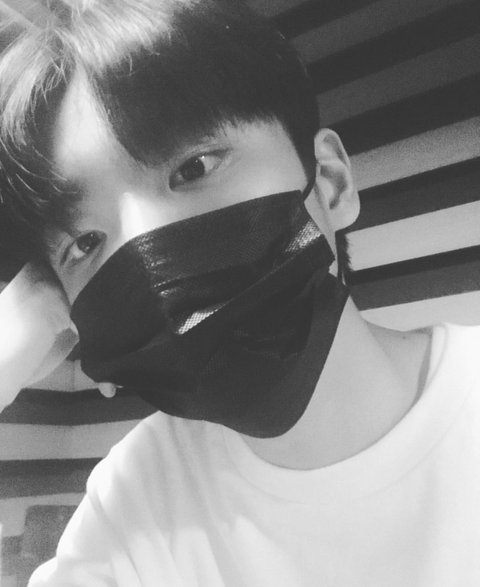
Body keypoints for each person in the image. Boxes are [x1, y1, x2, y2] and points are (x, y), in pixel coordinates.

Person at [0, 0, 479, 585]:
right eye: (86, 243)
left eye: (194, 168)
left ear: (330, 182)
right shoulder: (136, 500)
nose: (150, 265)